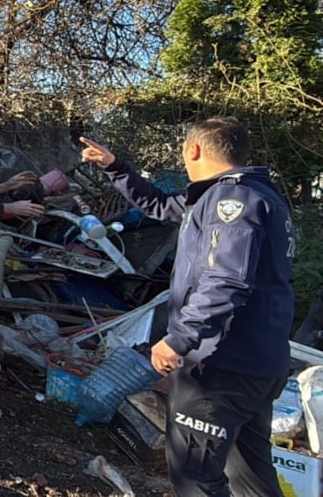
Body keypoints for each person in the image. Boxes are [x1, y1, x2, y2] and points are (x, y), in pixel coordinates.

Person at [80, 118, 295, 496]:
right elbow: (161, 206)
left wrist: (179, 338)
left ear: (193, 150)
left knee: (195, 478)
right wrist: (115, 167)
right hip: (258, 365)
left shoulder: (232, 202)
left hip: (219, 367)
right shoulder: (254, 195)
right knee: (250, 479)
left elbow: (226, 281)